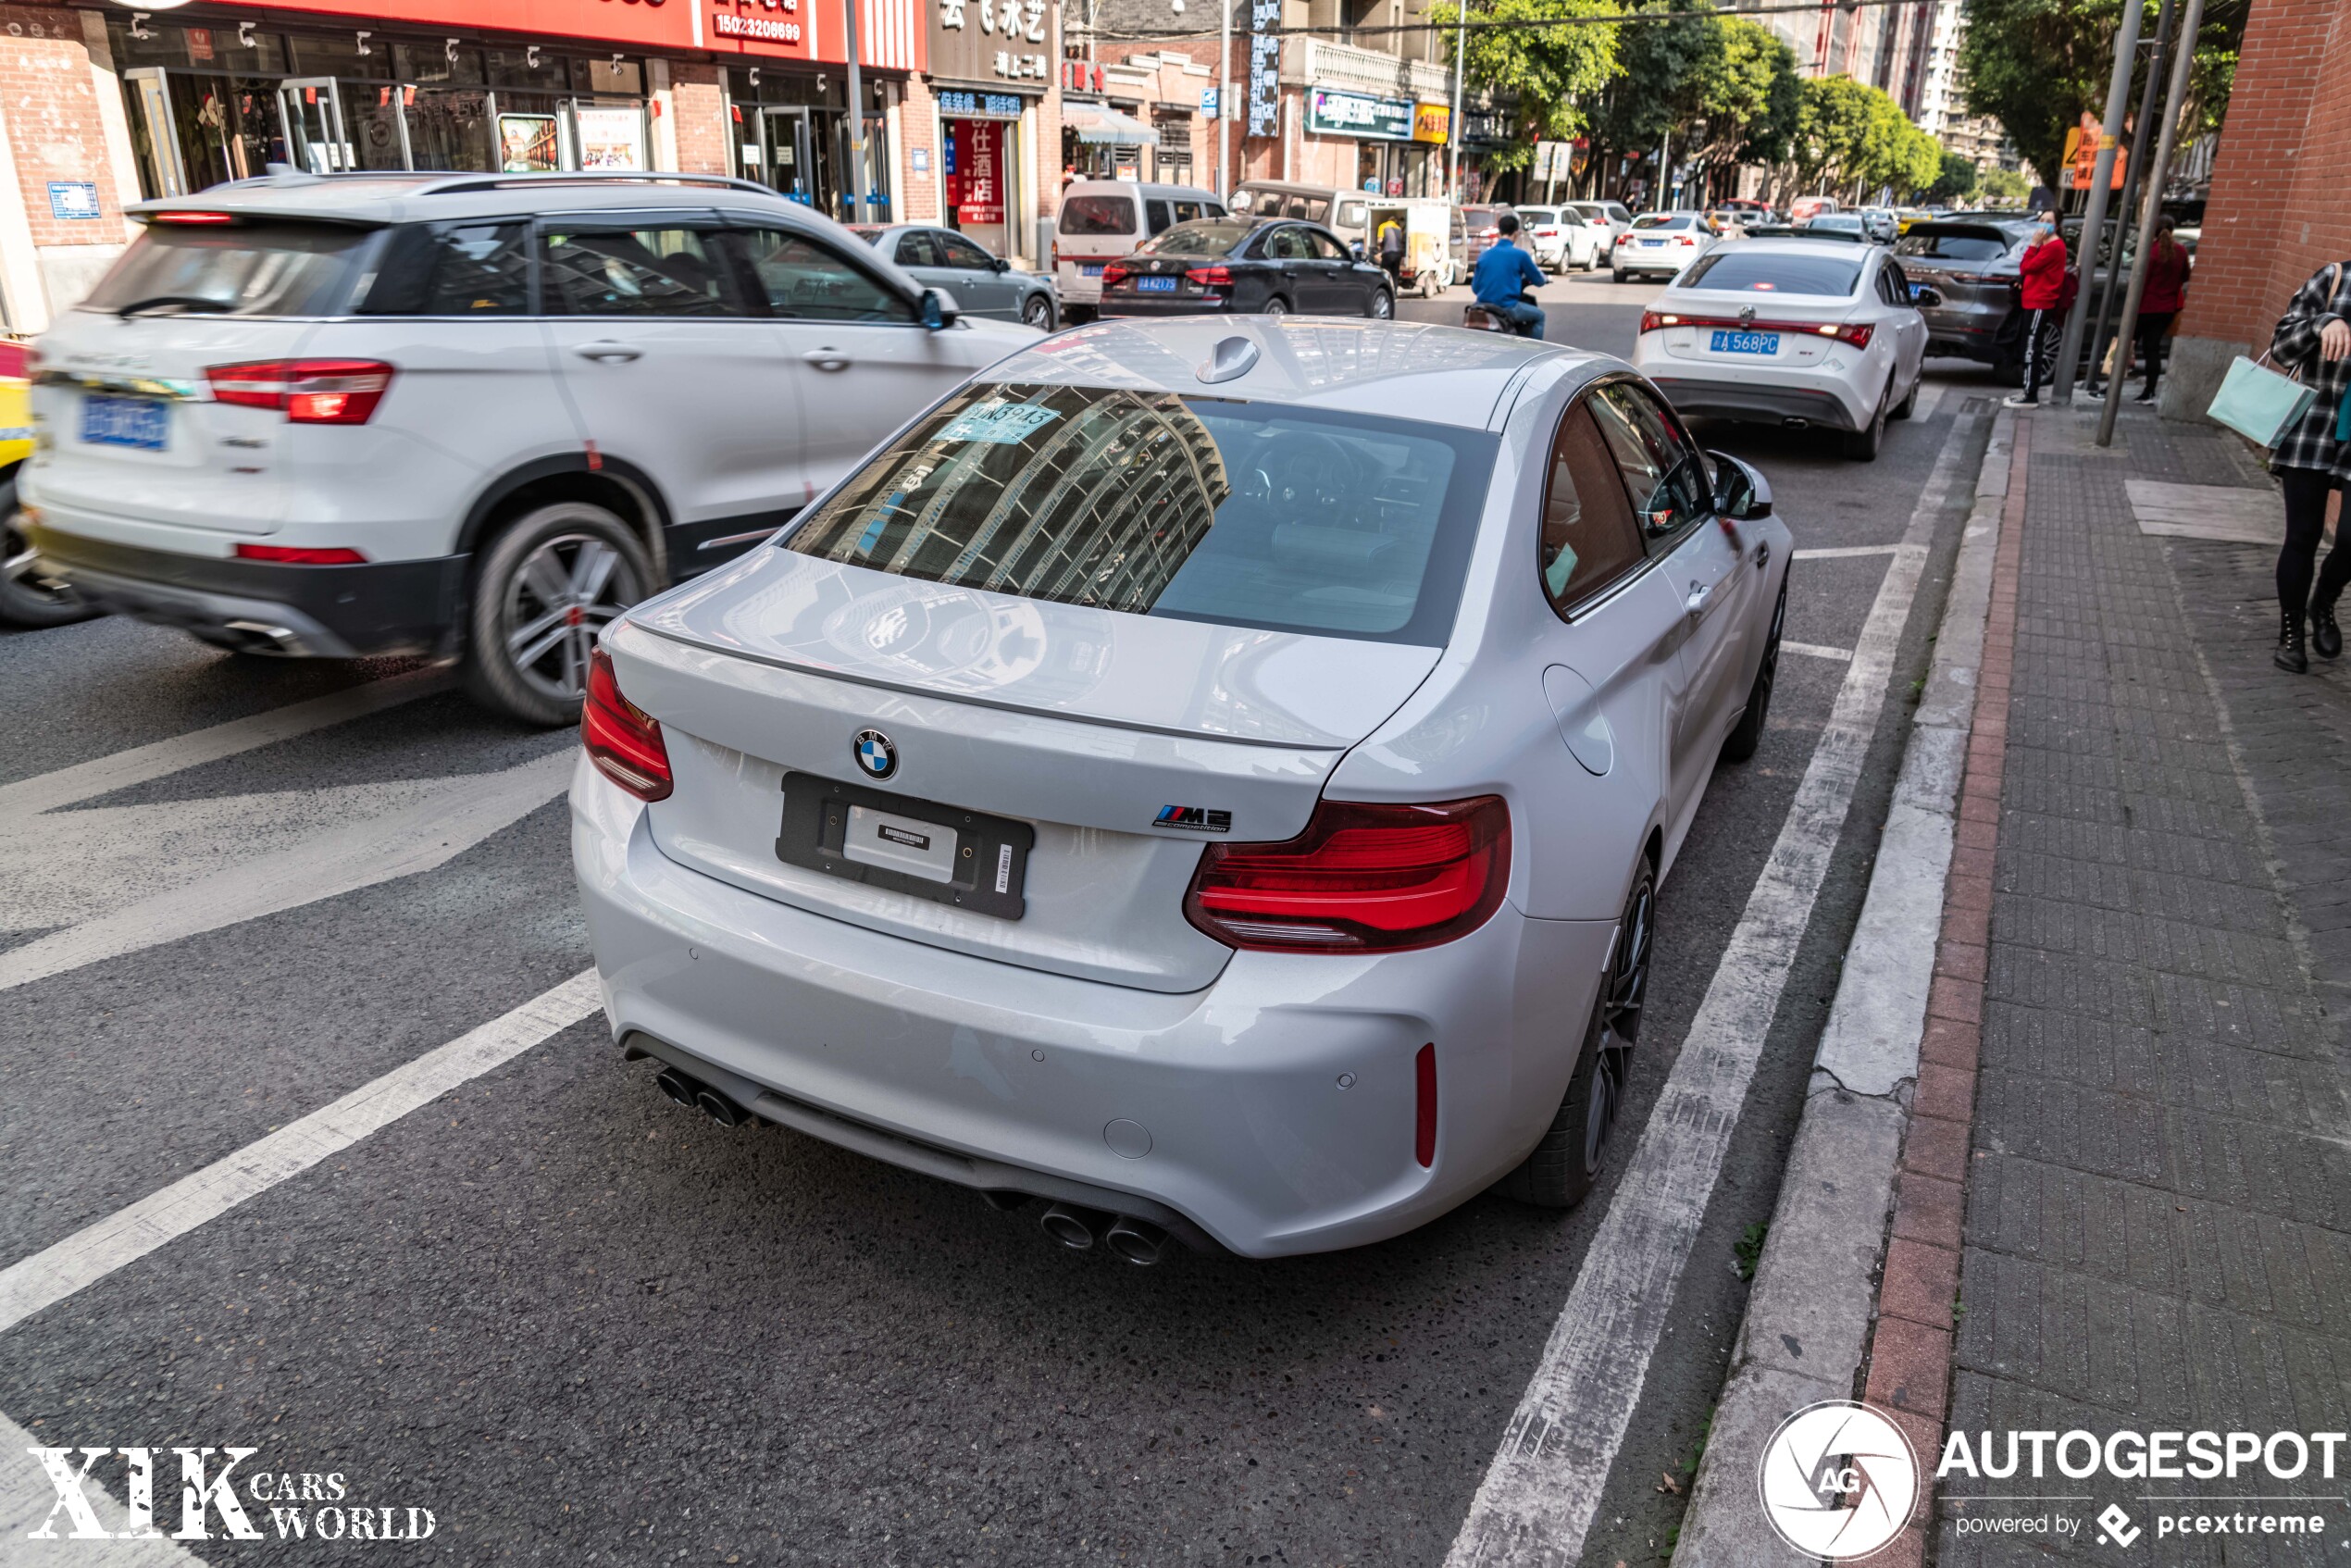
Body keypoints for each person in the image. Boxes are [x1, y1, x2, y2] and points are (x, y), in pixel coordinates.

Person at [2267, 258, 2351, 673]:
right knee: (2303, 534)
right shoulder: (2335, 278)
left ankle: (2324, 600)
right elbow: (2282, 346)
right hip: (2315, 426)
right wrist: (2323, 322)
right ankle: (2291, 633)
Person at [2005, 217, 2068, 406]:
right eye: (2041, 219)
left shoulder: (2054, 247)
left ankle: (2030, 394)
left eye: (2048, 220)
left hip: (2041, 303)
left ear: (2056, 225)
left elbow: (2027, 267)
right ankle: (2027, 391)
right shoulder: (2045, 246)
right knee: (2028, 347)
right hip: (2031, 301)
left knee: (2032, 348)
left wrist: (2033, 245)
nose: (2043, 223)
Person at [2132, 216, 2192, 404]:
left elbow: (2142, 280)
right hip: (2166, 309)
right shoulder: (2181, 251)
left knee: (2124, 346)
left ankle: (2109, 387)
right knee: (2152, 350)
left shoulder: (2151, 252)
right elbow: (2186, 275)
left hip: (2144, 307)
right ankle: (2149, 391)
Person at [1472, 211, 1547, 339]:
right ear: (1516, 233)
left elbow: (1475, 288)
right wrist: (1544, 278)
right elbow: (1539, 280)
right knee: (1540, 316)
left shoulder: (1484, 255)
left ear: (1499, 231)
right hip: (1507, 307)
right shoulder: (1520, 255)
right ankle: (1533, 350)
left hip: (1481, 306)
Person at [1376, 215, 1406, 289]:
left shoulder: (1382, 226)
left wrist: (1379, 250)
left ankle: (1386, 289)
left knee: (1385, 273)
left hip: (1388, 253)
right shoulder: (1399, 229)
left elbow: (1379, 241)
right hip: (1397, 255)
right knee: (1395, 274)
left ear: (1388, 220)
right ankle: (1394, 292)